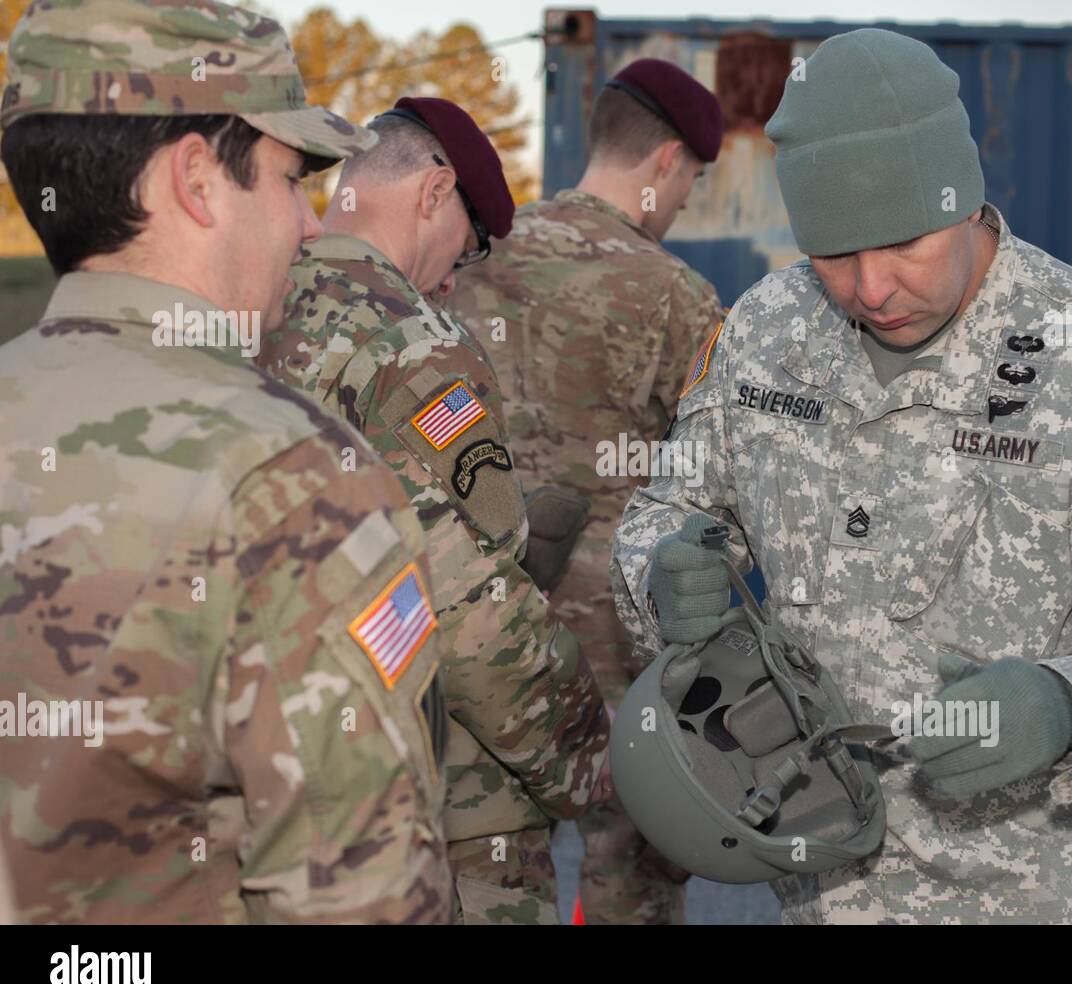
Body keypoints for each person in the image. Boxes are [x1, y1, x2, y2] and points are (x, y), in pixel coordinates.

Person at [611, 28, 1072, 924]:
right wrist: (661, 575)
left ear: (965, 198)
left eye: (904, 242)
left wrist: (1067, 705)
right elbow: (660, 511)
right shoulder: (766, 333)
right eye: (834, 255)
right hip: (820, 891)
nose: (871, 288)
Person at [0, 0, 452, 923]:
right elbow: (360, 898)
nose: (307, 223)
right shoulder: (290, 478)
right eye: (290, 179)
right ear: (199, 179)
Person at [257, 98, 609, 925]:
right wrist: (584, 755)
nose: (457, 275)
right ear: (434, 191)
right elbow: (457, 605)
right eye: (470, 242)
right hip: (441, 810)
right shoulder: (415, 341)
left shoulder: (240, 307)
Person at [448, 58, 725, 925]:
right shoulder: (674, 294)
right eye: (690, 184)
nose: (682, 205)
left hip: (480, 620)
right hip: (620, 632)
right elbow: (724, 467)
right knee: (633, 856)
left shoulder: (473, 258)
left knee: (488, 848)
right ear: (667, 163)